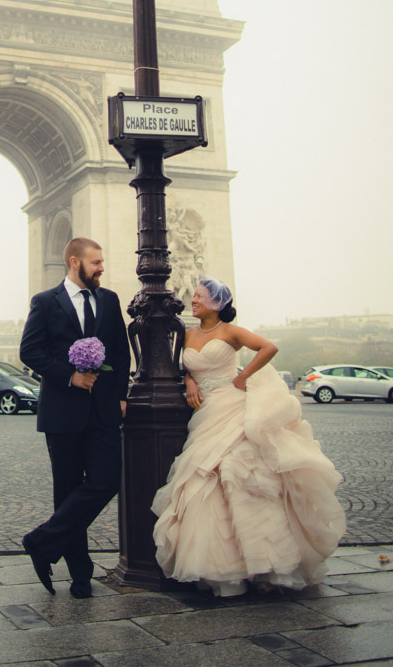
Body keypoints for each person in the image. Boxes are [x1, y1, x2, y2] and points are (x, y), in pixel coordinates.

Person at [152, 275, 346, 597]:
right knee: (205, 478)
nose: (194, 300)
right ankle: (225, 565)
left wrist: (243, 375)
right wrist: (188, 381)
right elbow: (182, 366)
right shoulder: (185, 333)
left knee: (237, 473)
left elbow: (269, 347)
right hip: (207, 411)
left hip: (233, 406)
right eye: (195, 296)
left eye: (199, 296)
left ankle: (265, 561)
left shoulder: (231, 332)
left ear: (216, 304)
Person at [20, 237, 130, 599]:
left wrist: (121, 396)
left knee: (105, 480)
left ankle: (41, 542)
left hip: (102, 410)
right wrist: (70, 375)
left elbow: (119, 350)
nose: (102, 268)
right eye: (96, 262)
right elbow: (30, 350)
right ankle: (80, 575)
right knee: (67, 493)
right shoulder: (45, 302)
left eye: (102, 262)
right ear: (73, 262)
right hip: (62, 411)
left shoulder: (109, 299)